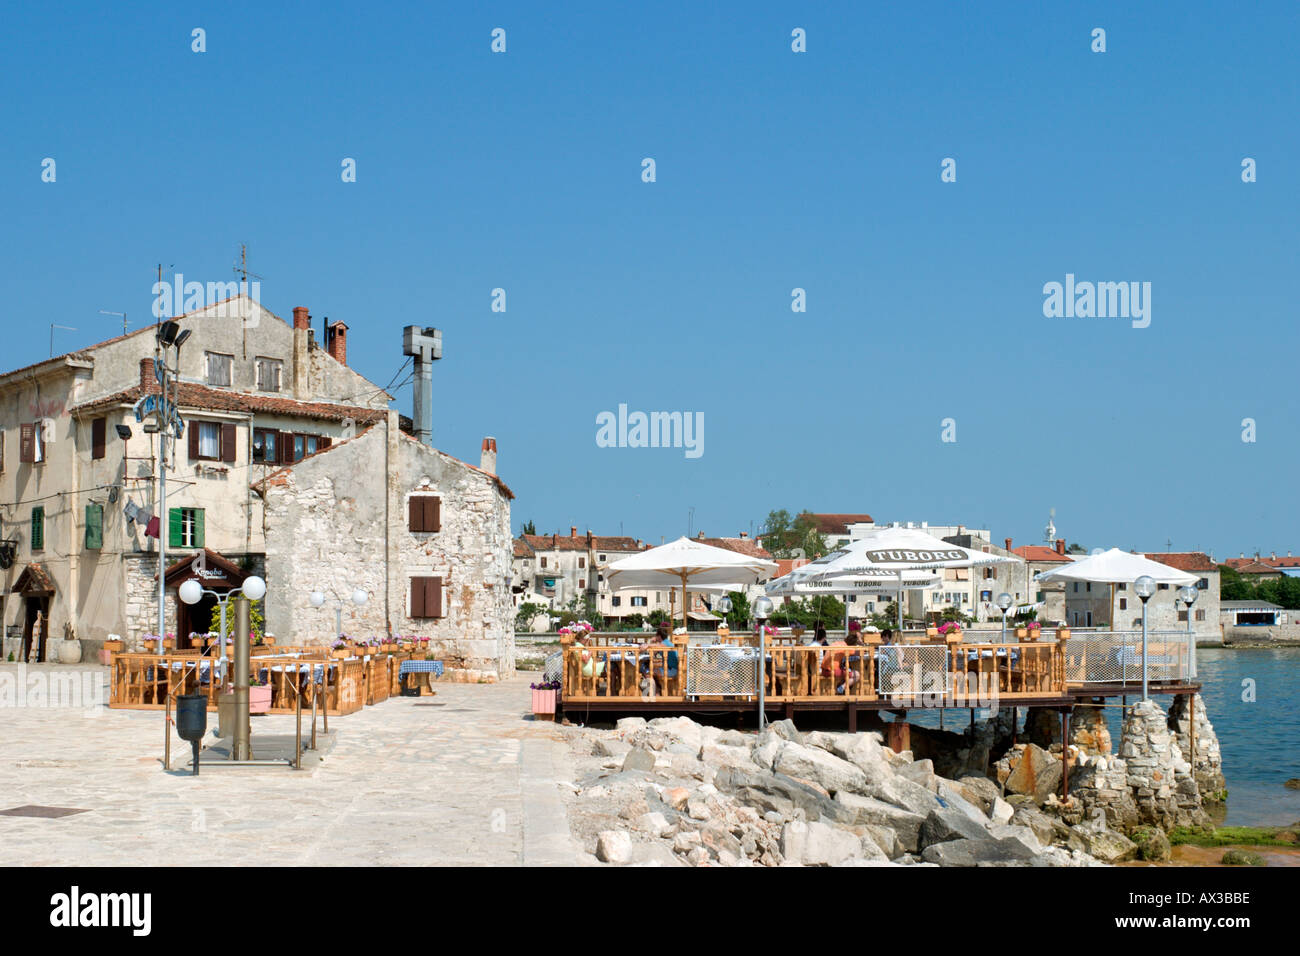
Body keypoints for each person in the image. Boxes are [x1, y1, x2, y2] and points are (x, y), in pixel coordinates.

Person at [639, 625, 679, 694]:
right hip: (669, 668)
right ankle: (657, 690)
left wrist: (648, 645)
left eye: (656, 635)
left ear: (659, 636)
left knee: (648, 673)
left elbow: (658, 646)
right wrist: (652, 642)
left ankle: (655, 693)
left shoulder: (665, 643)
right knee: (650, 671)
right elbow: (654, 652)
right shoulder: (665, 643)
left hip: (671, 670)